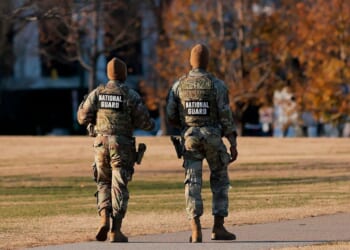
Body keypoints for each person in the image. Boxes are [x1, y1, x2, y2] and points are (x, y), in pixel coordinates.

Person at [77, 57, 155, 243]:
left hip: (100, 143)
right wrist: (149, 123)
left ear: (108, 74)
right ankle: (115, 230)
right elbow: (146, 123)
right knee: (119, 185)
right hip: (122, 145)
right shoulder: (130, 95)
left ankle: (104, 218)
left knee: (103, 182)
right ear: (124, 74)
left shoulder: (97, 93)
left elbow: (82, 118)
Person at [166, 43, 238, 243]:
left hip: (190, 138)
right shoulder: (217, 85)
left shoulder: (179, 85)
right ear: (207, 61)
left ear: (191, 61)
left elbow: (170, 114)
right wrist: (232, 142)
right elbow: (226, 116)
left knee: (192, 182)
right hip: (213, 137)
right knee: (220, 180)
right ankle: (218, 227)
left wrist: (185, 125)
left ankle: (195, 229)